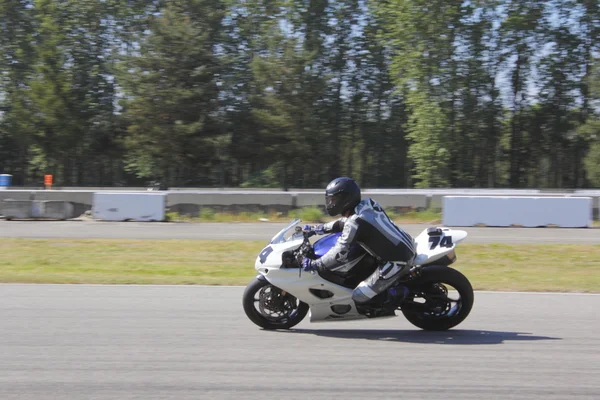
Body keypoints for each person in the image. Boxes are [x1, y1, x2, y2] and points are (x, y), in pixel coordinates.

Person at [301, 177, 416, 317]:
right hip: (403, 244)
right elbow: (342, 223)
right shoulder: (367, 205)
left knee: (359, 296)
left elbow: (339, 252)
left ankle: (399, 295)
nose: (330, 203)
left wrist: (315, 264)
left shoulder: (356, 222)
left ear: (345, 199)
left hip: (397, 260)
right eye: (329, 200)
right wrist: (317, 229)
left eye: (333, 200)